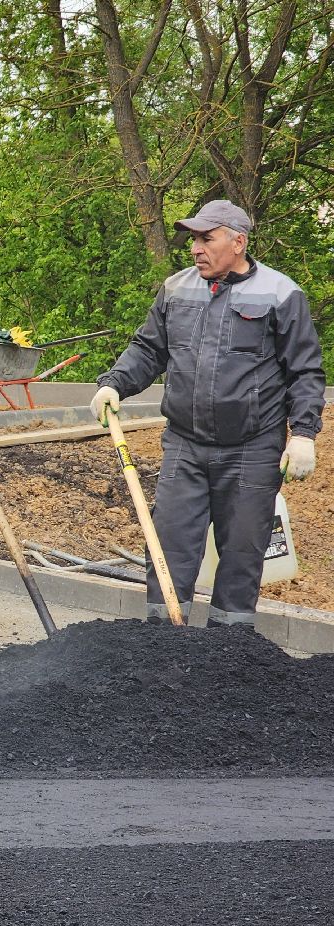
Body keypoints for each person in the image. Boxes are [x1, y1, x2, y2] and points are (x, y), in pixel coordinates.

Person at [91, 199, 324, 626]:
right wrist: (114, 383)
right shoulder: (178, 288)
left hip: (253, 448)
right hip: (185, 443)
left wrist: (304, 433)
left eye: (206, 238)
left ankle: (228, 652)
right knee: (168, 545)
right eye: (194, 239)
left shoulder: (280, 294)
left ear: (238, 241)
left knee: (242, 552)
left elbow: (305, 371)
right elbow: (148, 349)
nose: (196, 248)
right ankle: (161, 642)